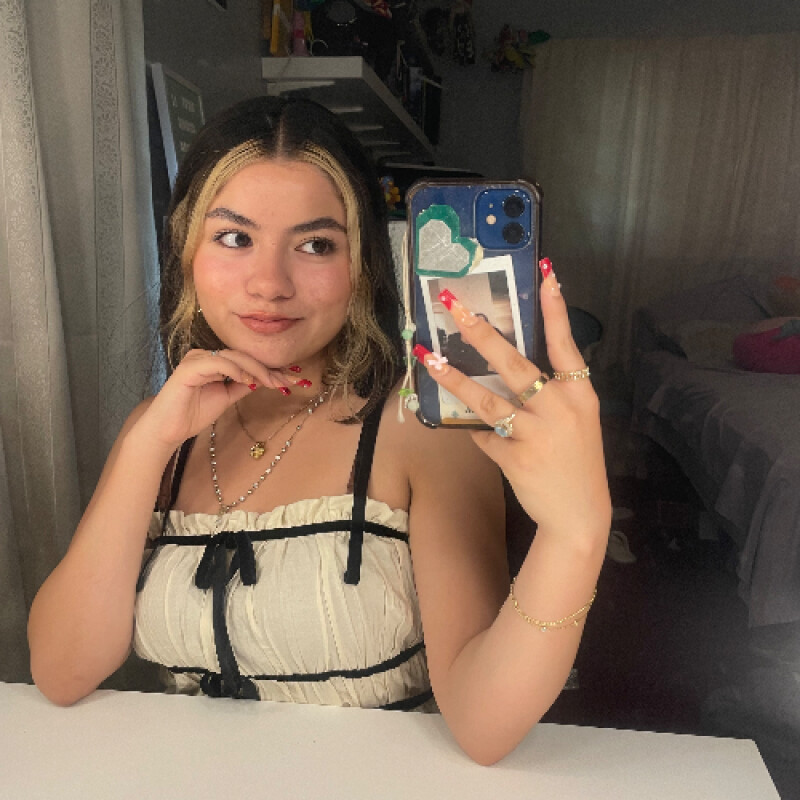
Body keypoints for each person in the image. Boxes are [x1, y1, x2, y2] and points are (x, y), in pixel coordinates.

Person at [27, 96, 611, 766]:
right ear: (187, 250)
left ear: (362, 265)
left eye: (315, 245)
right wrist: (145, 445)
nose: (269, 284)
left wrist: (577, 533)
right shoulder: (158, 433)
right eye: (234, 238)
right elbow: (62, 671)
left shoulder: (421, 429)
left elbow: (484, 727)